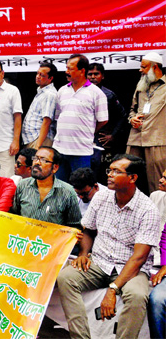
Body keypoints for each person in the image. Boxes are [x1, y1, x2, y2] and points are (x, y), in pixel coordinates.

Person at [57, 154, 161, 339]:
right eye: (110, 170)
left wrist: (113, 289)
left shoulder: (148, 210)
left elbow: (139, 258)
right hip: (99, 261)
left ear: (132, 178)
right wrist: (83, 253)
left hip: (131, 268)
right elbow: (88, 229)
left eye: (116, 171)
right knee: (66, 278)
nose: (110, 175)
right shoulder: (101, 198)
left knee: (137, 296)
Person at [53, 54, 108, 182]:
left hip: (81, 151)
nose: (66, 72)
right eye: (66, 68)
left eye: (70, 69)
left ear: (82, 71)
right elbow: (58, 116)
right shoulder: (61, 91)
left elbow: (103, 119)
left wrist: (88, 131)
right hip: (60, 149)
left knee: (81, 187)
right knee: (59, 187)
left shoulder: (96, 93)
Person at [11, 146, 81, 227]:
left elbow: (74, 226)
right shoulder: (22, 185)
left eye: (43, 160)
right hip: (26, 238)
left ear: (55, 168)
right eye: (35, 158)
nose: (37, 162)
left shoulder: (68, 192)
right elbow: (15, 216)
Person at [127, 51, 166, 193]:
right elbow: (132, 109)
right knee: (129, 177)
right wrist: (132, 119)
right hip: (135, 139)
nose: (140, 70)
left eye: (144, 67)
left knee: (157, 183)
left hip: (157, 140)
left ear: (155, 67)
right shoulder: (140, 85)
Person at [88, 63, 129, 184]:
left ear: (103, 76)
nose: (93, 77)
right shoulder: (79, 92)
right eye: (90, 74)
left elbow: (122, 116)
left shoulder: (108, 95)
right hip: (83, 138)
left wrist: (113, 135)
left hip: (101, 138)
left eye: (96, 74)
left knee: (101, 170)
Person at [21, 62, 58, 149]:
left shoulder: (49, 94)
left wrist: (38, 145)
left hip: (40, 140)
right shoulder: (41, 92)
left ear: (50, 78)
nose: (38, 76)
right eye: (37, 73)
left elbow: (47, 121)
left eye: (42, 75)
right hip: (32, 139)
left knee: (38, 162)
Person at [149, 170, 166, 338]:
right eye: (162, 176)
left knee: (159, 298)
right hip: (154, 258)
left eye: (165, 178)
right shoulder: (155, 196)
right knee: (157, 299)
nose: (160, 180)